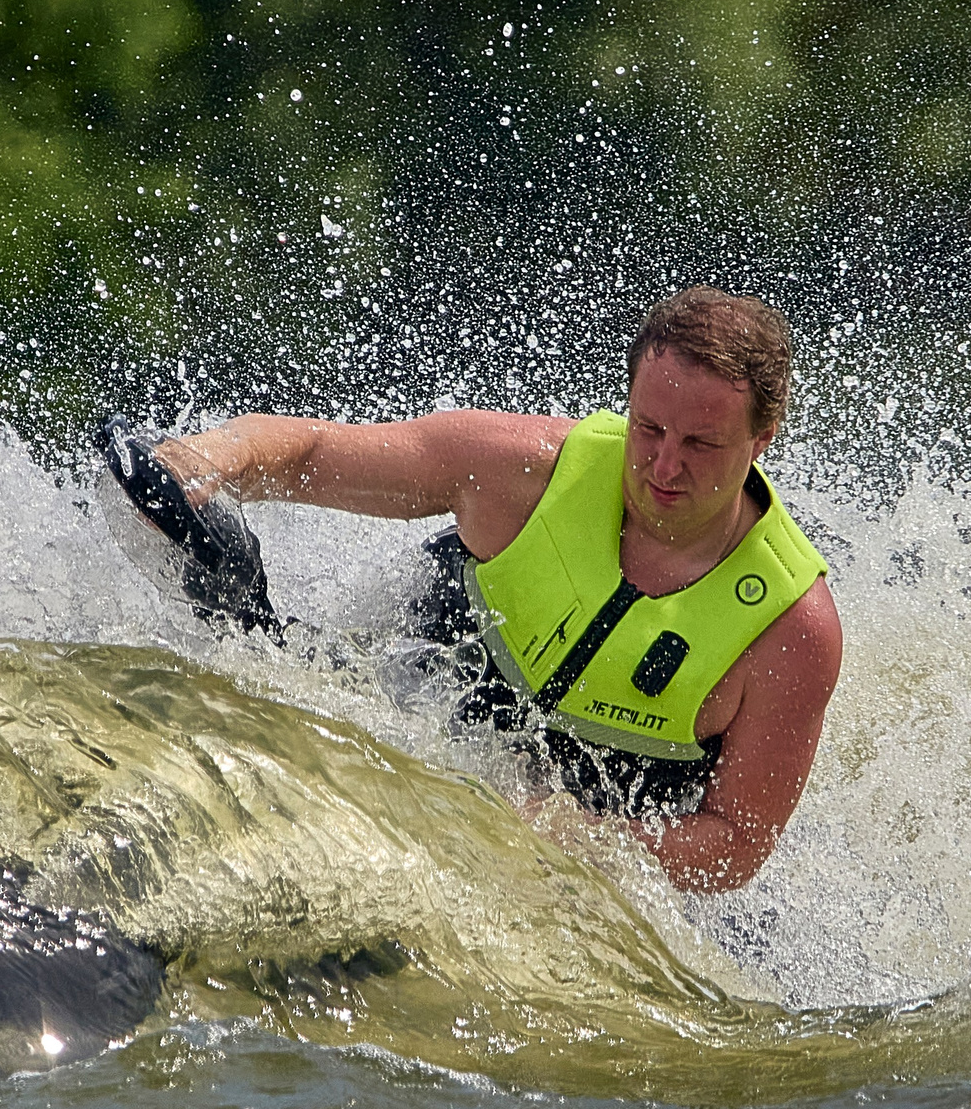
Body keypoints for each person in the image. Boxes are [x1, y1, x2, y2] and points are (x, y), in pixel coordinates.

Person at [106, 286, 841, 894]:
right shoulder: (518, 471)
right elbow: (313, 451)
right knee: (267, 651)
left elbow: (735, 845)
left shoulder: (791, 630)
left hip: (599, 809)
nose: (664, 466)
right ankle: (231, 585)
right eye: (648, 428)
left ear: (763, 437)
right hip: (420, 685)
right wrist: (208, 459)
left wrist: (572, 835)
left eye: (702, 444)